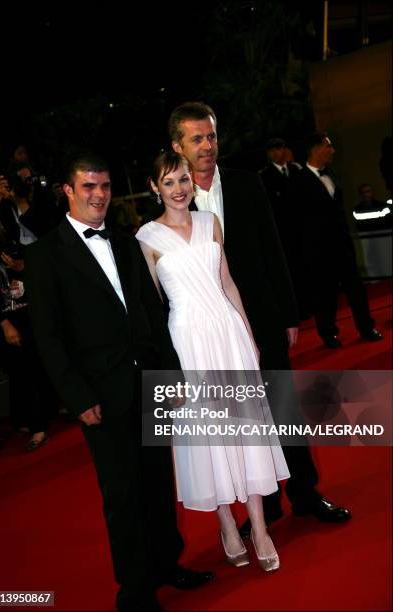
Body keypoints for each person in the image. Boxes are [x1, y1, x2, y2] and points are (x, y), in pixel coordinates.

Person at [24, 154, 213, 612]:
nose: (99, 195)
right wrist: (77, 397)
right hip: (99, 396)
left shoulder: (127, 243)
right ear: (68, 191)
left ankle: (168, 564)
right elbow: (47, 338)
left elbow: (153, 313)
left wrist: (169, 377)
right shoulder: (45, 255)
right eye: (88, 186)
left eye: (105, 186)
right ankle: (135, 591)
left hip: (147, 382)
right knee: (122, 494)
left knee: (155, 483)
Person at [167, 101, 351, 530]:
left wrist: (288, 315)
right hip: (211, 332)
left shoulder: (248, 184)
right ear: (177, 144)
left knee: (283, 409)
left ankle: (305, 493)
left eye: (211, 135)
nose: (207, 145)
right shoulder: (172, 200)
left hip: (262, 321)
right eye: (197, 138)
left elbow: (273, 250)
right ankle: (264, 508)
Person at [136, 151, 289, 571]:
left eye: (183, 179)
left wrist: (248, 333)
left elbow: (227, 281)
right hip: (187, 342)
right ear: (154, 188)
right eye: (168, 182)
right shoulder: (146, 238)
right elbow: (151, 308)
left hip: (228, 334)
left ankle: (258, 526)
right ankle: (225, 522)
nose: (179, 189)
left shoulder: (210, 222)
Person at [288, 133, 383, 348]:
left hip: (342, 246)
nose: (332, 150)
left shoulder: (334, 175)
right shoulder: (298, 181)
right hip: (317, 250)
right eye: (328, 146)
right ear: (316, 149)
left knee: (356, 289)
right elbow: (296, 220)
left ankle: (367, 327)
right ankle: (328, 333)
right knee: (324, 294)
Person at [0, 201, 49, 451]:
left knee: (31, 366)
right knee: (22, 370)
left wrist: (20, 270)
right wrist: (4, 325)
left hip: (24, 313)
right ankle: (35, 425)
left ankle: (34, 420)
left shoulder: (7, 246)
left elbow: (28, 271)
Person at [258, 138, 310, 318]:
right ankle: (298, 309)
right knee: (291, 272)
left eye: (280, 148)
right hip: (283, 234)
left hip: (303, 230)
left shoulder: (296, 170)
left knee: (307, 268)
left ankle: (311, 304)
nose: (277, 153)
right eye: (273, 150)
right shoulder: (264, 177)